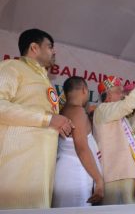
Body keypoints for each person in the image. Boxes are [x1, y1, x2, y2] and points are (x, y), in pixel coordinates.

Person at [0, 29, 74, 209]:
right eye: (50, 46)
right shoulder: (11, 67)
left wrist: (59, 121)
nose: (54, 51)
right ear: (34, 47)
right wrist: (47, 119)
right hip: (16, 167)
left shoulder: (45, 81)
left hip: (42, 169)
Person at [93, 69, 135, 205]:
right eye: (119, 92)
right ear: (108, 95)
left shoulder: (114, 113)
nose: (122, 95)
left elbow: (133, 131)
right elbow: (127, 105)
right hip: (118, 174)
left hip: (130, 171)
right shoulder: (102, 110)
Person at [52, 77, 103, 207]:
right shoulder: (78, 111)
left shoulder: (63, 110)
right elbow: (81, 148)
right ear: (84, 90)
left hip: (65, 172)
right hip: (76, 174)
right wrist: (98, 180)